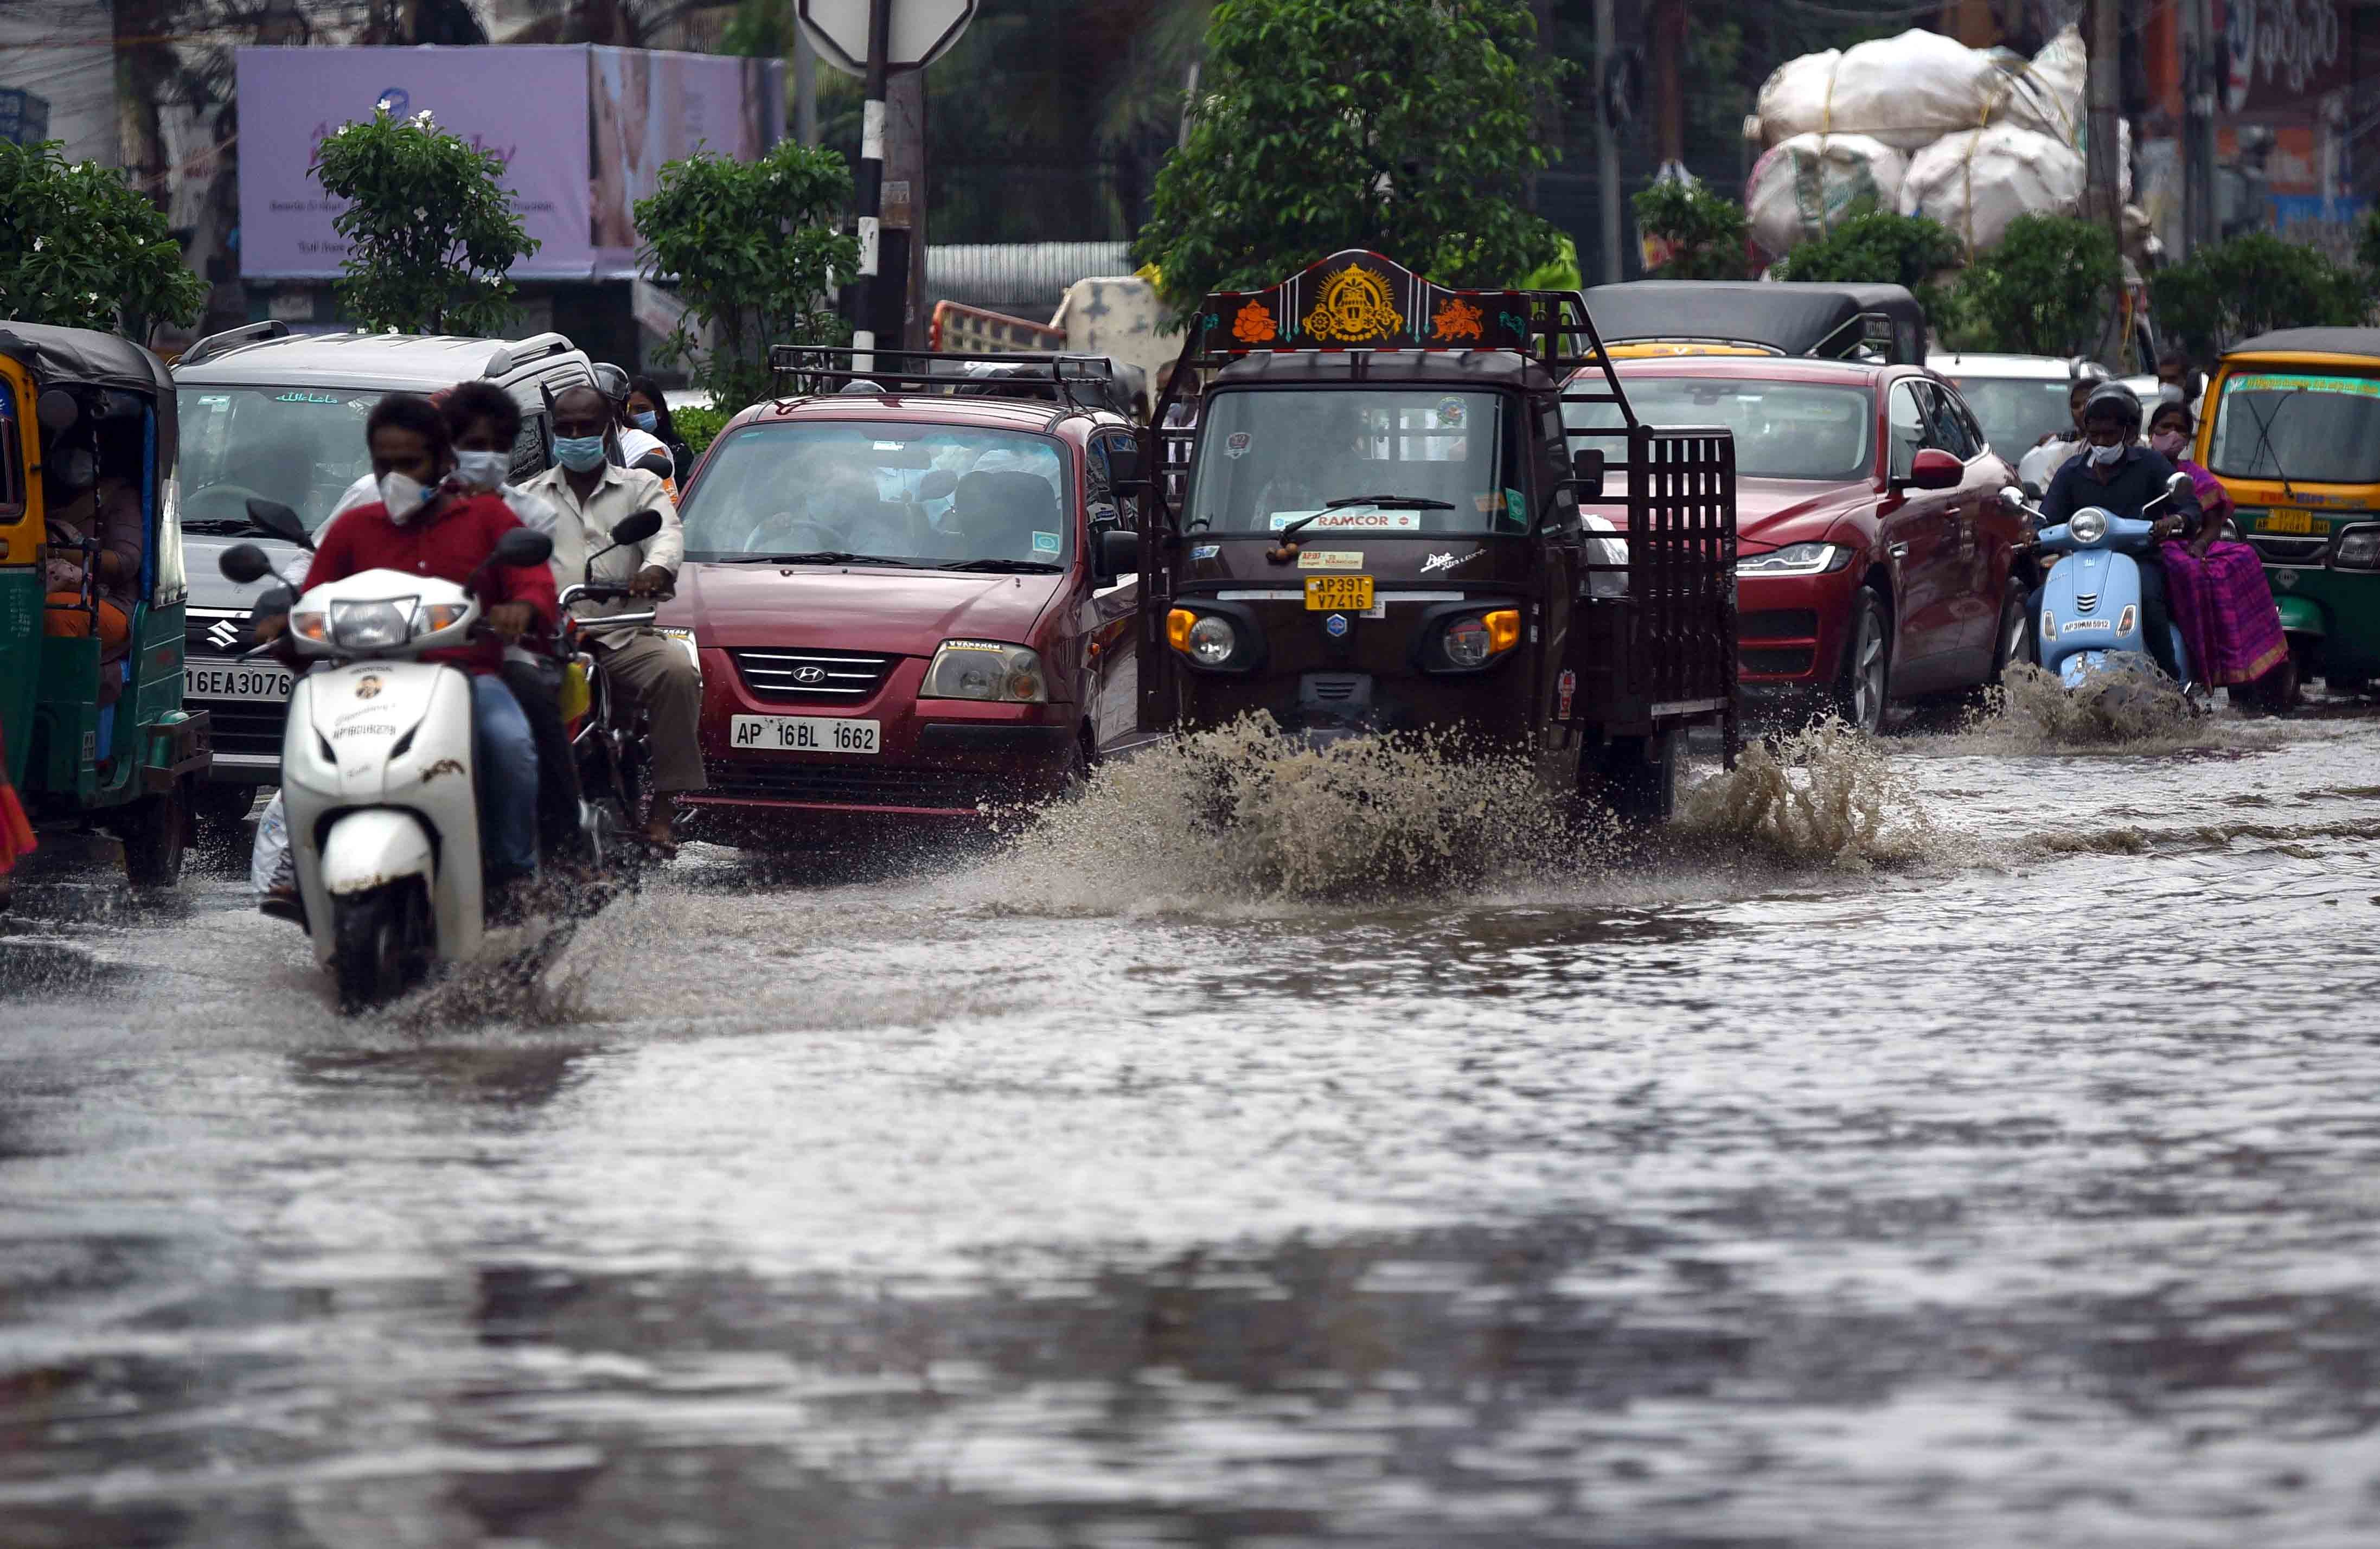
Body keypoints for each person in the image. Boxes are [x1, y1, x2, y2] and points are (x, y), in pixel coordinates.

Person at [261, 393, 555, 901]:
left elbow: (534, 583)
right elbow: (314, 596)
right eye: (384, 464)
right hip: (360, 684)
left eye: (410, 463)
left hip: (464, 681)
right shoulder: (354, 528)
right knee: (305, 748)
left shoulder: (487, 519)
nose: (395, 476)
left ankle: (516, 873)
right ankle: (299, 863)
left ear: (443, 462)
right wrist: (278, 625)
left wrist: (522, 609)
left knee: (510, 744)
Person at [522, 385, 706, 853]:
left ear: (607, 430)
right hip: (549, 641)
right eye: (566, 429)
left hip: (621, 634)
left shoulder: (640, 488)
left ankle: (663, 811)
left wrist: (653, 571)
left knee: (678, 672)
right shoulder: (528, 498)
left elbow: (666, 536)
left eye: (587, 427)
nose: (576, 436)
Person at [2034, 383, 2201, 683]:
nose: (2100, 442)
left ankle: (2172, 685)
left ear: (2127, 432)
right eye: (2093, 434)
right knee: (2036, 605)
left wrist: (2175, 520)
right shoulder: (2071, 472)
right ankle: (2039, 686)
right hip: (2080, 566)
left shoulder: (2150, 464)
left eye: (2109, 434)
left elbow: (2190, 507)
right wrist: (2031, 533)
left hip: (2137, 562)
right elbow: (2046, 518)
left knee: (2149, 603)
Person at [2147, 400, 2291, 694]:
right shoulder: (2141, 466)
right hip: (2148, 542)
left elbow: (2211, 521)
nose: (2173, 434)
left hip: (2187, 540)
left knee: (2243, 557)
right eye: (2166, 427)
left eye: (2180, 429)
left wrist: (2200, 544)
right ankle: (2200, 661)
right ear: (2151, 431)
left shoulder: (2194, 476)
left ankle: (2240, 660)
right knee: (2186, 570)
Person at [39, 412, 143, 680]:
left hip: (107, 600)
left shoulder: (118, 496)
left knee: (57, 615)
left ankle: (59, 703)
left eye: (84, 449)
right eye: (67, 448)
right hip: (39, 587)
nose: (73, 458)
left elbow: (126, 562)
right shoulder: (37, 490)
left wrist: (53, 551)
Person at [2016, 373, 2106, 496]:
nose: (2081, 409)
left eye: (2087, 402)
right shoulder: (2060, 449)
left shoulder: (2137, 448)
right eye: (2076, 405)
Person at [593, 363, 677, 492]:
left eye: (603, 406)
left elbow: (665, 506)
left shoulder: (643, 448)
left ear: (621, 409)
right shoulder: (559, 446)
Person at [626, 375, 694, 482]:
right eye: (628, 410)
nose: (632, 416)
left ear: (658, 412)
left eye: (641, 409)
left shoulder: (677, 451)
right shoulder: (616, 448)